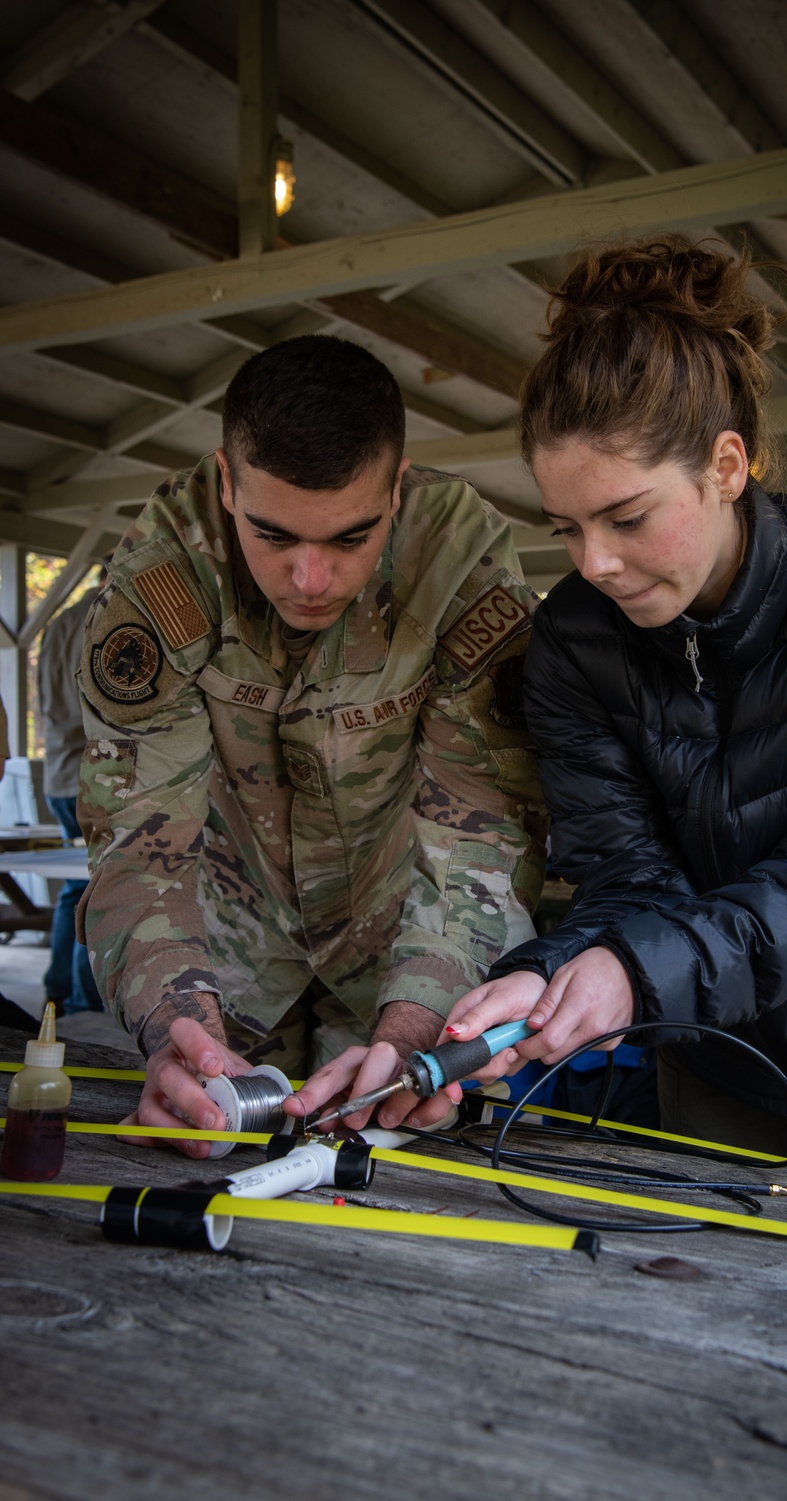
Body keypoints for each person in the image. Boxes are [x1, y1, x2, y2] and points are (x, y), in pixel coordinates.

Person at [414, 236, 787, 1182]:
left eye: (628, 517)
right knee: (693, 1272)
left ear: (726, 466)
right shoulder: (572, 638)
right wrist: (549, 972)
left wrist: (636, 971)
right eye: (566, 526)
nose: (593, 563)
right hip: (709, 1035)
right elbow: (620, 873)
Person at [76, 335, 546, 1154]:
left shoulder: (457, 565)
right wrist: (176, 1029)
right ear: (226, 482)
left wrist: (415, 1030)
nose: (310, 579)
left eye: (349, 539)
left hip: (408, 950)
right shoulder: (164, 580)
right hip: (220, 956)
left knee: (413, 1182)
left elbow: (480, 828)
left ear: (398, 490)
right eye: (274, 536)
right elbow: (143, 844)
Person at [37, 575, 105, 1013]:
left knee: (73, 887)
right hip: (90, 775)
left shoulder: (58, 624)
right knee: (94, 890)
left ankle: (57, 989)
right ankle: (84, 998)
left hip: (57, 772)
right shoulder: (105, 617)